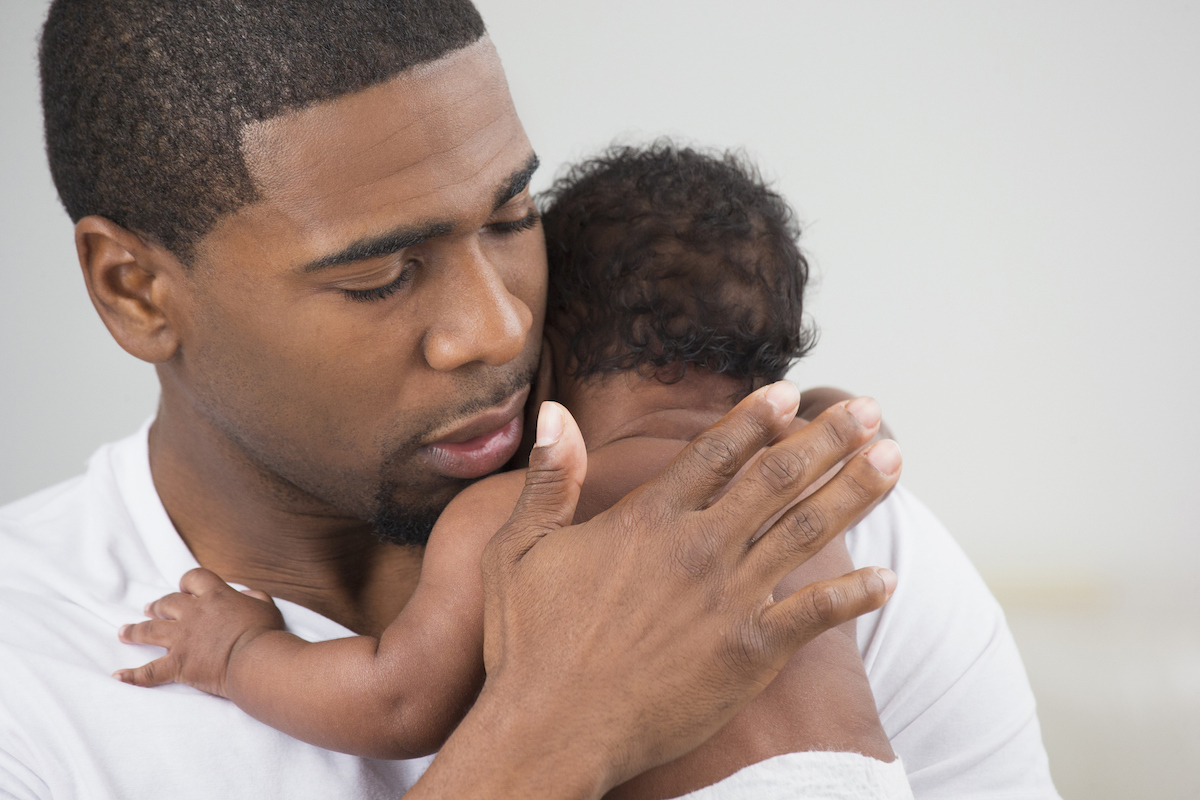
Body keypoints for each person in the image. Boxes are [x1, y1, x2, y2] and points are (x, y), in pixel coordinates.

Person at [0, 1, 1058, 798]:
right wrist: (560, 723)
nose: (502, 327)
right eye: (380, 273)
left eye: (513, 218)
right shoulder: (29, 683)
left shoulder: (794, 528)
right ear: (136, 290)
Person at [111, 143, 912, 798]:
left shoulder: (520, 514)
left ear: (550, 354)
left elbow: (398, 703)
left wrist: (239, 655)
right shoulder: (812, 477)